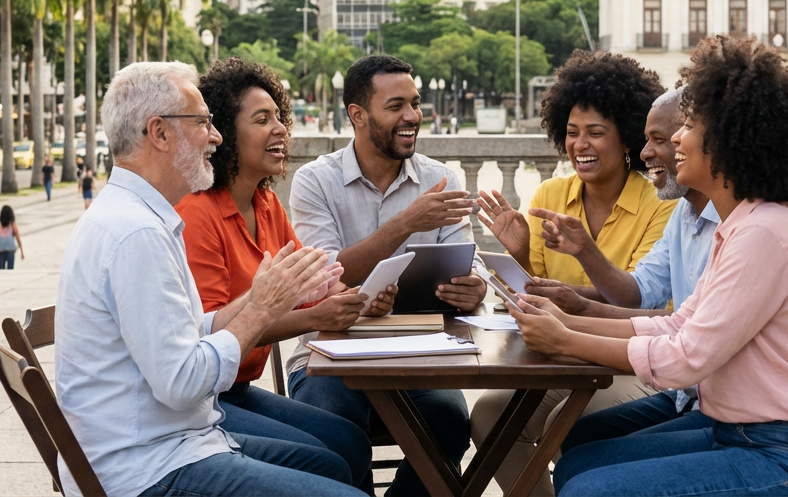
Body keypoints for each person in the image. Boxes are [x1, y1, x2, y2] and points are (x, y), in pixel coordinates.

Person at [505, 36, 788, 497]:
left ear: (731, 139)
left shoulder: (762, 234)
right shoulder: (740, 224)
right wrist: (566, 319)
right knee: (580, 460)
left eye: (687, 126)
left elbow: (685, 358)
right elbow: (676, 323)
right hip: (740, 433)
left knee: (588, 489)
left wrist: (568, 336)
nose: (673, 141)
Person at [54, 61, 364, 497]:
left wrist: (261, 298)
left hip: (180, 441)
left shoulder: (138, 217)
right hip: (151, 468)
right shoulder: (136, 232)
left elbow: (184, 333)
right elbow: (182, 383)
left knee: (330, 459)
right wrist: (259, 309)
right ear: (159, 133)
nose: (215, 137)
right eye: (202, 122)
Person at [178, 57, 400, 491]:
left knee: (349, 439)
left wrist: (358, 298)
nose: (280, 128)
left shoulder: (266, 205)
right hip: (208, 398)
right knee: (331, 456)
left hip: (237, 389)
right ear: (223, 132)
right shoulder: (198, 213)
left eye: (279, 116)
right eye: (262, 119)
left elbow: (316, 284)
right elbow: (213, 331)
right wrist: (317, 318)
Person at [470, 51, 675, 496]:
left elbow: (640, 299)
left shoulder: (660, 204)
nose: (580, 144)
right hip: (564, 358)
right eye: (572, 133)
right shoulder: (550, 194)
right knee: (488, 416)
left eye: (595, 133)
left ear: (626, 140)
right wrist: (521, 253)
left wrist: (576, 287)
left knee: (571, 417)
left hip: (635, 358)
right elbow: (529, 296)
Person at [288, 54, 485, 497]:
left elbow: (468, 267)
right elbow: (322, 273)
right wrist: (407, 223)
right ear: (357, 115)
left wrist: (471, 288)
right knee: (334, 431)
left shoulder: (440, 178)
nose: (412, 117)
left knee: (450, 424)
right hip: (329, 357)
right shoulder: (315, 181)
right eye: (396, 106)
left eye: (414, 104)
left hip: (419, 354)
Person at [528, 88, 723, 452]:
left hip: (730, 418)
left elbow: (683, 348)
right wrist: (579, 283)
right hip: (692, 398)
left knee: (575, 448)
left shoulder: (746, 226)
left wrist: (568, 332)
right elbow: (642, 295)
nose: (645, 152)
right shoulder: (685, 212)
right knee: (570, 438)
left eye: (662, 140)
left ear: (712, 143)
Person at [0, 204, 24, 269]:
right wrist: (22, 251)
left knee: (1, 270)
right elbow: (18, 238)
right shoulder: (13, 225)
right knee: (10, 270)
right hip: (10, 250)